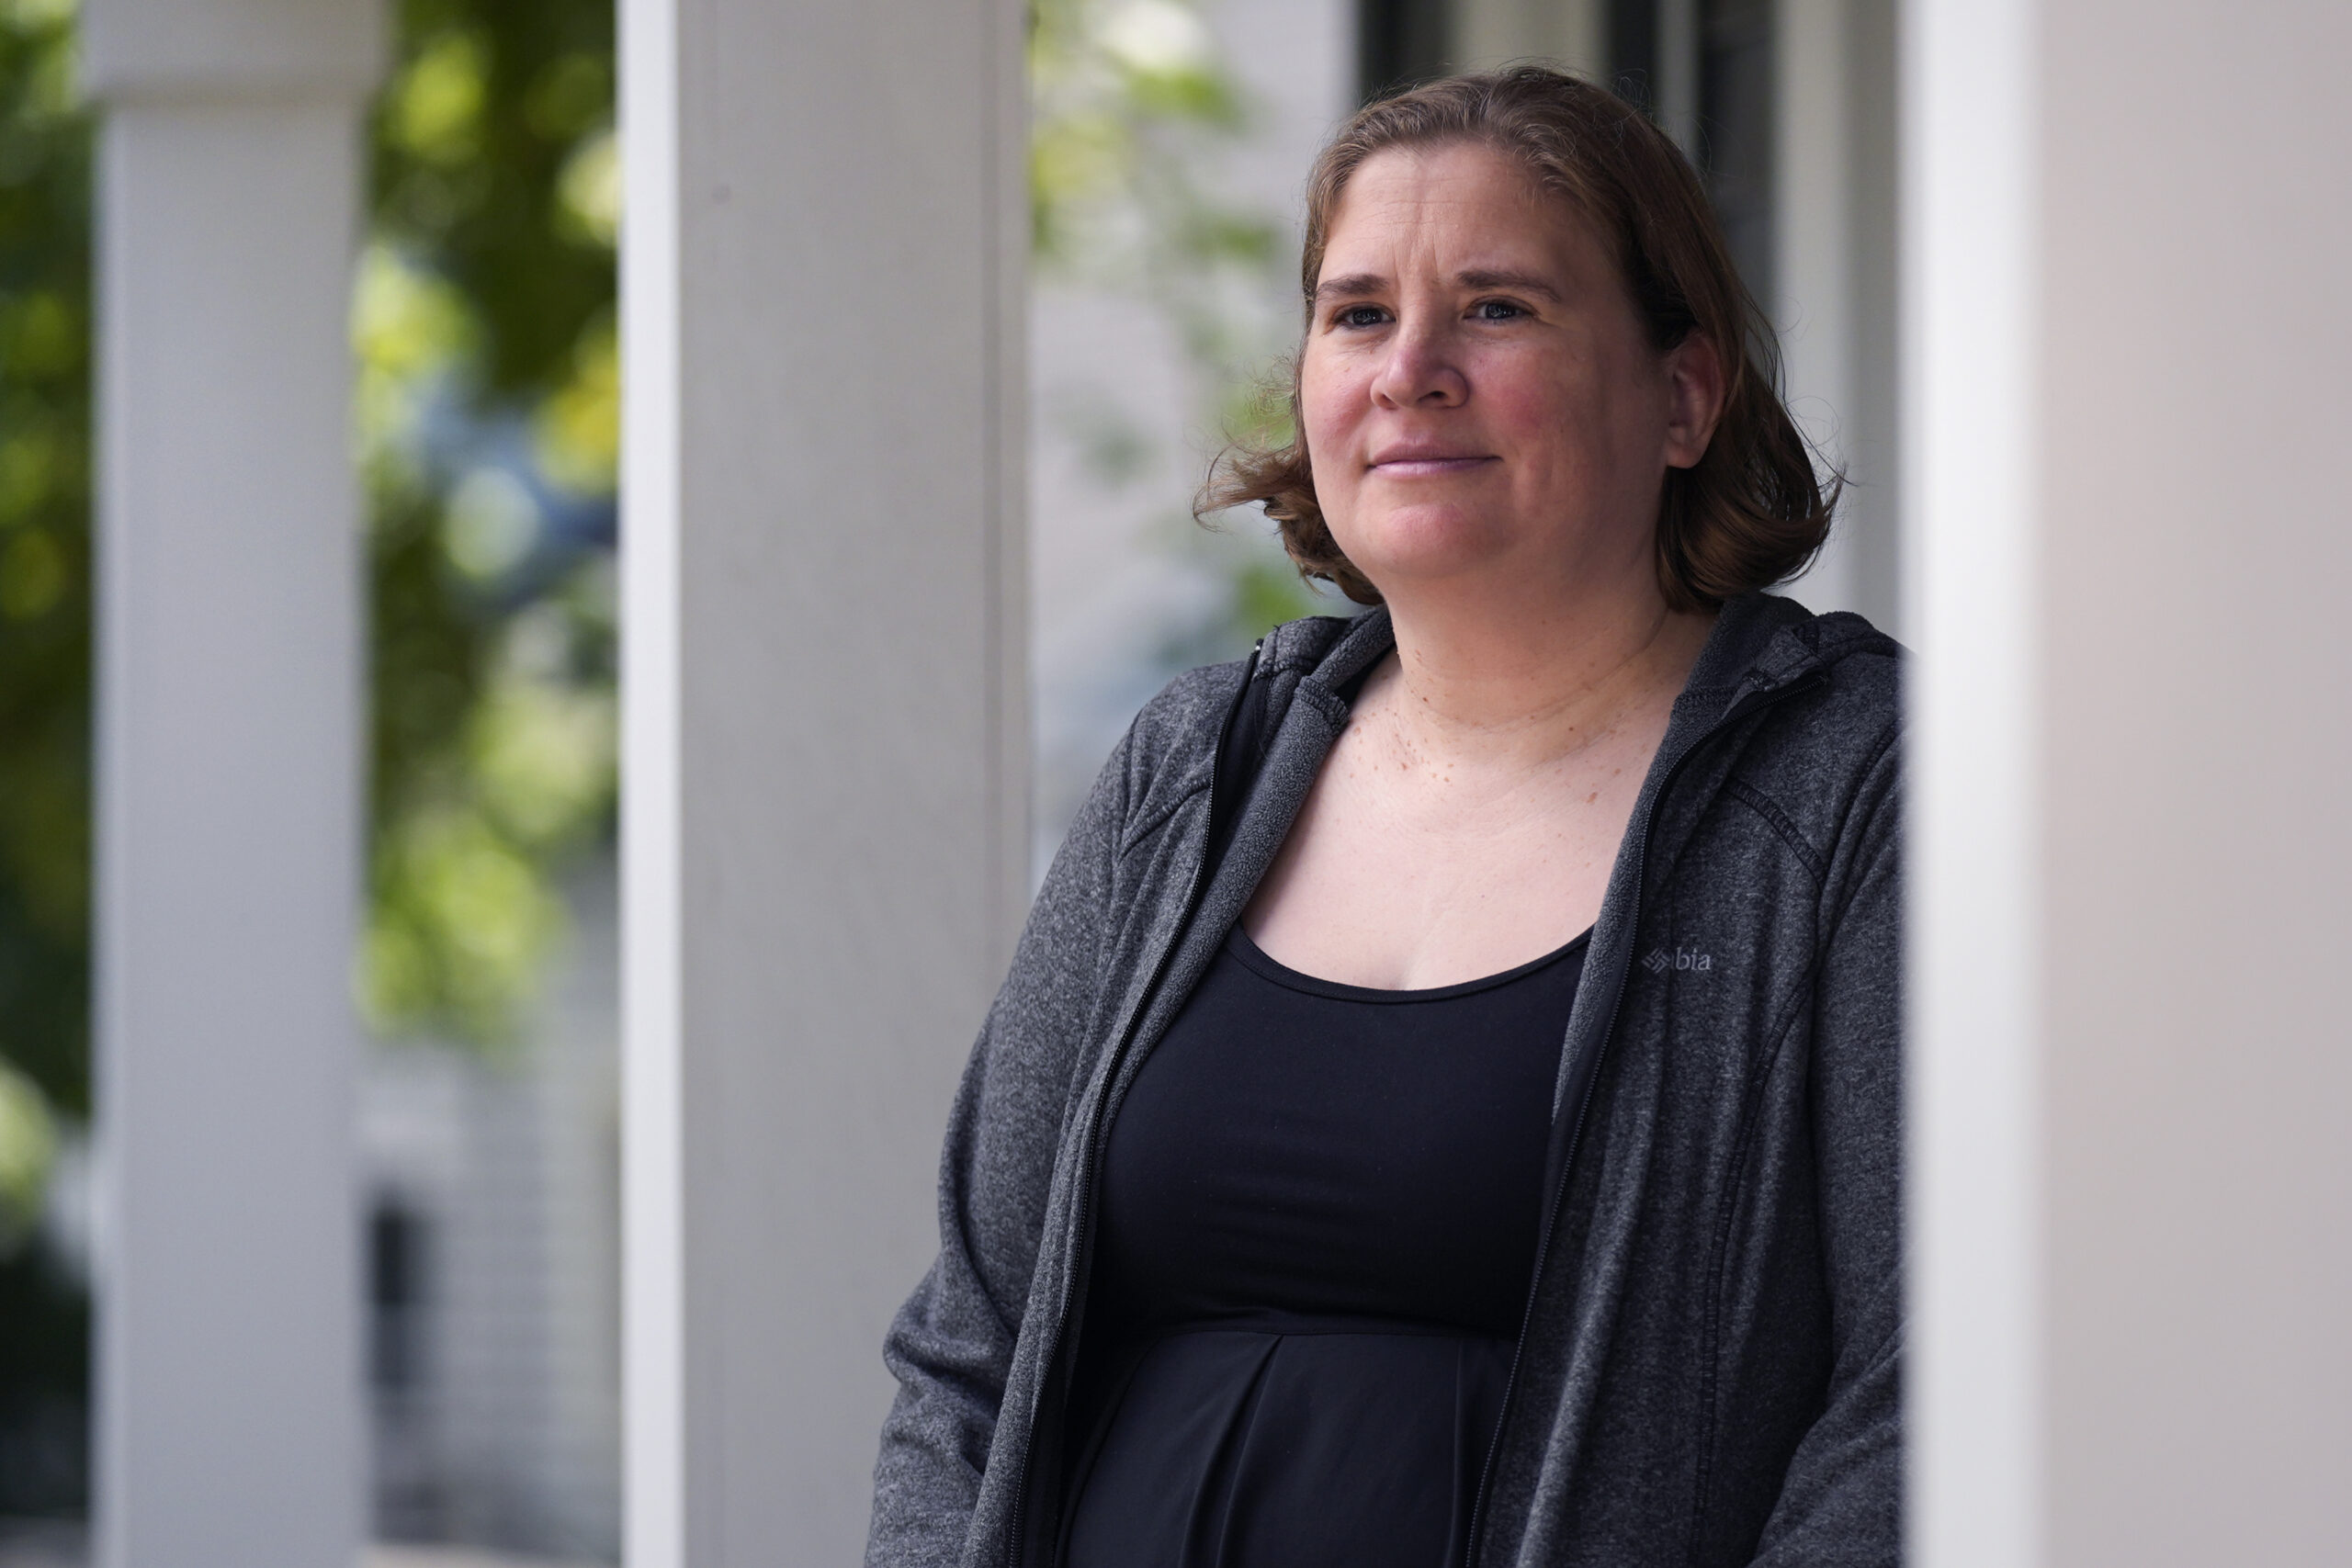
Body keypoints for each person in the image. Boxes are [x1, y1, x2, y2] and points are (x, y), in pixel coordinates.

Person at [866, 67, 1900, 1568]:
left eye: (1497, 308)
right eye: (1357, 313)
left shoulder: (1846, 790)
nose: (1410, 368)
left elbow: (1920, 1401)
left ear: (1683, 395)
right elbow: (969, 1347)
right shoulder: (1190, 775)